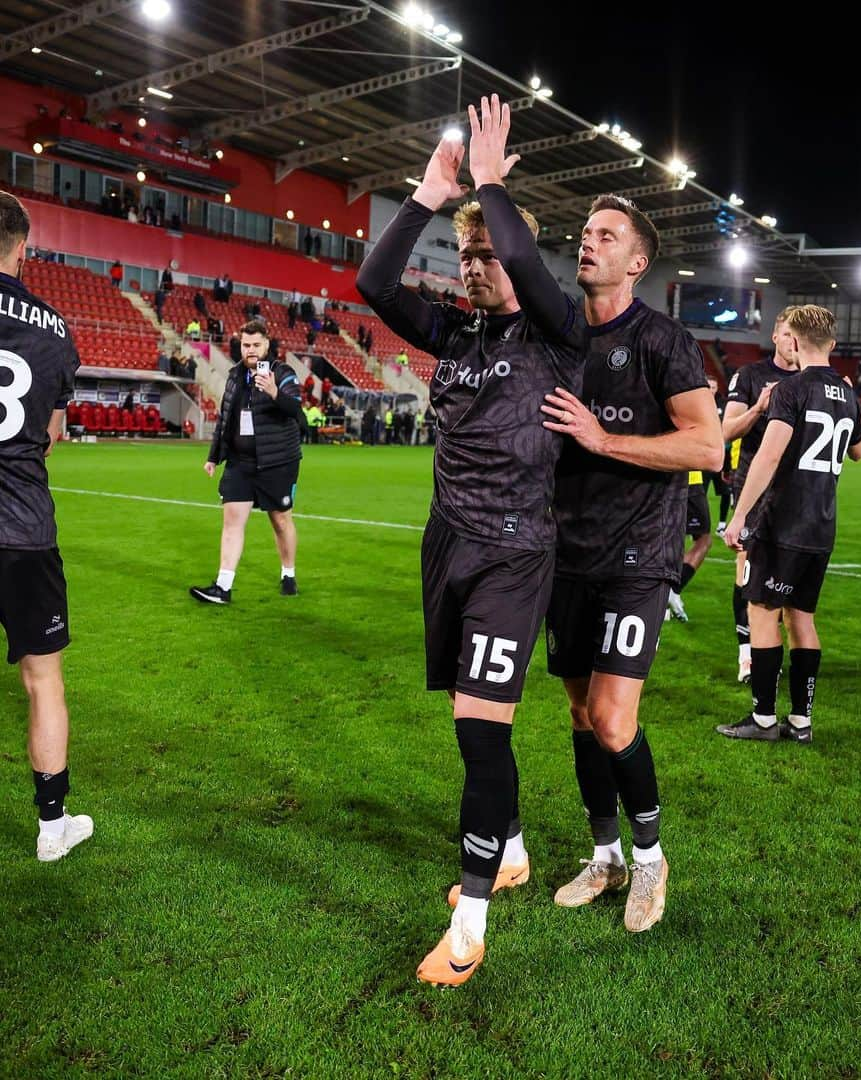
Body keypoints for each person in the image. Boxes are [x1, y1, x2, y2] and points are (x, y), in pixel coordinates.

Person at [462, 100, 724, 935]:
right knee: (579, 716)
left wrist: (602, 440)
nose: (588, 242)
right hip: (560, 556)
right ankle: (604, 855)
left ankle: (651, 860)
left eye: (607, 236)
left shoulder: (664, 342)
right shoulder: (564, 334)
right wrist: (488, 189)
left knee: (615, 718)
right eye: (584, 232)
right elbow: (516, 263)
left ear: (638, 261)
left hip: (636, 559)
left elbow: (708, 450)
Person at [355, 105, 585, 987]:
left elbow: (526, 259)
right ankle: (516, 847)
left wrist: (492, 189)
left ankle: (473, 925)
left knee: (481, 734)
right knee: (469, 723)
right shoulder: (455, 334)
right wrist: (424, 199)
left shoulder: (558, 334)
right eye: (469, 255)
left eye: (490, 254)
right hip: (446, 543)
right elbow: (375, 286)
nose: (478, 267)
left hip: (515, 552)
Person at [718, 304, 861, 745]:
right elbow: (860, 452)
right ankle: (801, 721)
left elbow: (768, 454)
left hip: (784, 523)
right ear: (832, 345)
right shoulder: (846, 391)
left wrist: (740, 515)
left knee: (761, 612)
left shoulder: (790, 388)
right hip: (823, 526)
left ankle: (763, 718)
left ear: (795, 342)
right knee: (802, 619)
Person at [0, 191, 93, 861]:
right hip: (25, 527)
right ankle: (53, 826)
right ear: (23, 247)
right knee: (44, 681)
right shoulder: (56, 329)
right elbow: (52, 433)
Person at [189, 320, 304, 603]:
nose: (250, 350)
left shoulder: (283, 373)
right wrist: (214, 457)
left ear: (267, 344)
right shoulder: (234, 376)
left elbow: (296, 410)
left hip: (277, 462)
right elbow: (225, 420)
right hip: (240, 463)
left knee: (280, 521)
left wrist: (275, 392)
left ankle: (288, 573)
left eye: (255, 345)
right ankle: (223, 587)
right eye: (245, 345)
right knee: (232, 522)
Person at [721, 308, 800, 683]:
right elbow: (726, 431)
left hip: (795, 494)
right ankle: (747, 657)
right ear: (774, 336)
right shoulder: (750, 376)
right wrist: (758, 409)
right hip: (754, 489)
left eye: (798, 336)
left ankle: (771, 650)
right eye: (786, 334)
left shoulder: (810, 381)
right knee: (747, 573)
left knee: (785, 580)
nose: (792, 342)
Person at [665, 469, 713, 622]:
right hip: (688, 478)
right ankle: (673, 590)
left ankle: (659, 600)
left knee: (663, 539)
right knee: (704, 540)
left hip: (659, 479)